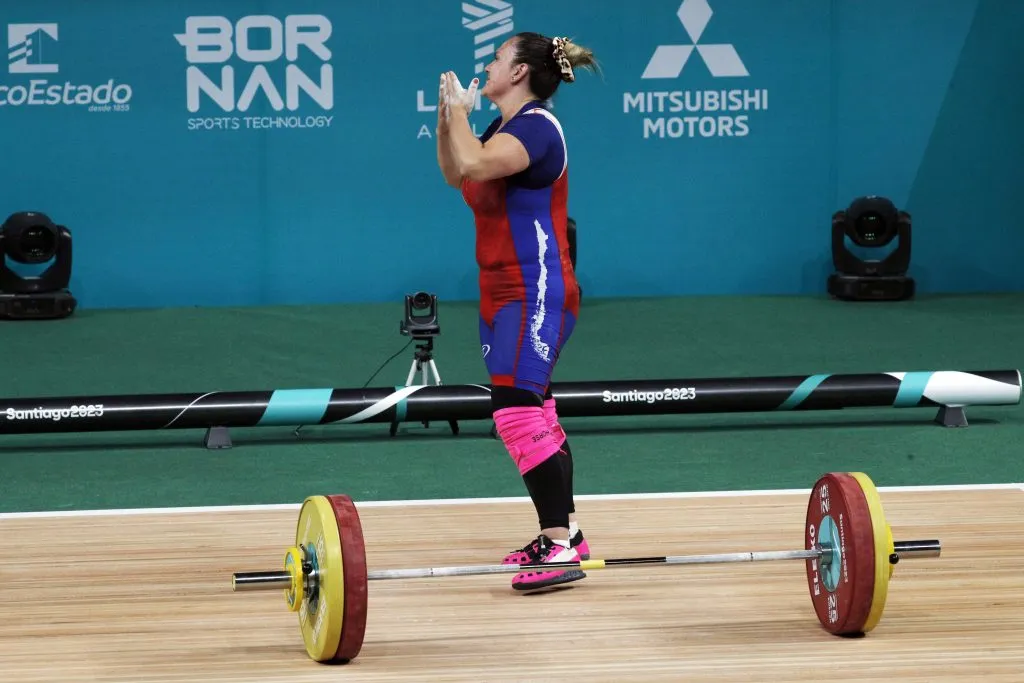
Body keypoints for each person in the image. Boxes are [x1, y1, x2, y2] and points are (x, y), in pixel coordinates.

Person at [434, 32, 599, 592]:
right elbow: (456, 173)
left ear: (521, 72)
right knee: (537, 412)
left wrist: (461, 114)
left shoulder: (536, 128)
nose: (487, 63)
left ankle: (556, 546)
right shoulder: (501, 129)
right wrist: (446, 118)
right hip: (498, 294)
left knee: (516, 412)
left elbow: (477, 166)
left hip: (536, 290)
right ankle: (567, 536)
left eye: (498, 58)